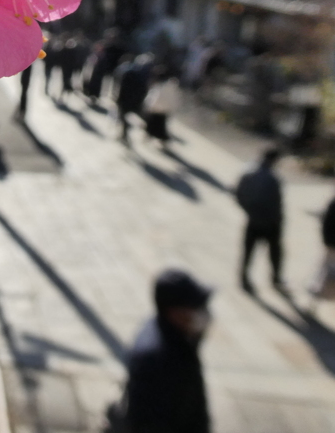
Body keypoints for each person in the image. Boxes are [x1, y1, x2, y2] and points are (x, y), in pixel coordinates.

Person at [120, 269, 213, 433]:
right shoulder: (157, 359)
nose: (203, 312)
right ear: (174, 311)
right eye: (195, 307)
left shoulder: (174, 335)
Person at [235, 148, 285, 293]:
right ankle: (276, 278)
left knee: (248, 251)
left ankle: (244, 278)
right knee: (275, 252)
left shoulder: (248, 173)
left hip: (253, 219)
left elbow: (238, 194)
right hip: (271, 223)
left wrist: (249, 210)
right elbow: (277, 204)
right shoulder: (273, 179)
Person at [115, 54, 152, 146]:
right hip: (132, 101)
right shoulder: (144, 76)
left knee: (125, 118)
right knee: (126, 118)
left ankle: (124, 134)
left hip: (127, 100)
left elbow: (122, 88)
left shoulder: (130, 72)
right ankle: (124, 134)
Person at [143, 67, 180, 146]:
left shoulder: (161, 86)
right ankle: (160, 139)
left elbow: (155, 98)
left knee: (154, 125)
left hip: (157, 109)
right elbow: (175, 100)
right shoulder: (173, 88)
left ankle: (152, 136)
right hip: (165, 110)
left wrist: (149, 106)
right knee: (160, 126)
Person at [308, 195, 335, 302]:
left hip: (330, 241)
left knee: (325, 267)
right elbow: (327, 223)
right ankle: (318, 291)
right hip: (332, 243)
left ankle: (319, 291)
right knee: (326, 268)